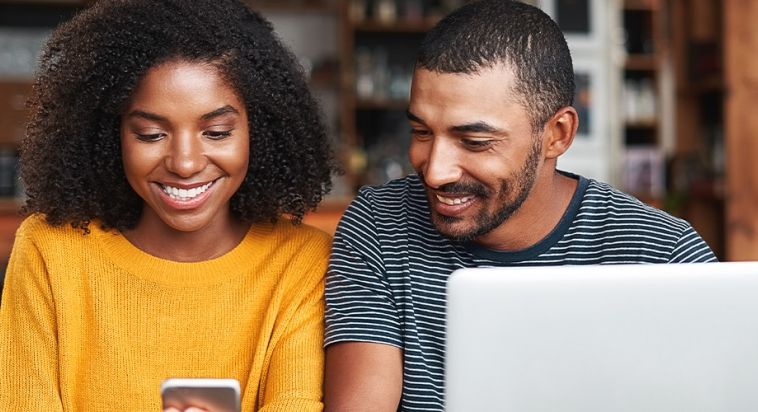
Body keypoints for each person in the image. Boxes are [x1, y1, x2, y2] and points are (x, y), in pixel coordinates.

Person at [323, 1, 717, 411]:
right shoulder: (380, 223)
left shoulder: (661, 252)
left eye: (475, 142)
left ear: (557, 134)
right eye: (421, 131)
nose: (435, 171)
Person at [0, 0, 337, 410]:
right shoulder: (49, 251)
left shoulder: (300, 262)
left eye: (215, 132)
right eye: (150, 134)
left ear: (260, 131)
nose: (185, 163)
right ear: (111, 137)